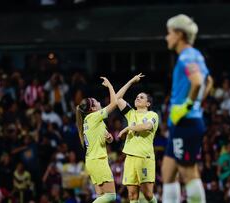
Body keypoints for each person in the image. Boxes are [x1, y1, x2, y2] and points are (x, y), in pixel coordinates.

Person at [162, 14, 213, 203]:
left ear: (179, 34)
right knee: (168, 172)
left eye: (169, 33)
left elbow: (198, 82)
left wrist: (188, 106)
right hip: (183, 122)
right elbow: (209, 81)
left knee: (188, 172)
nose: (167, 37)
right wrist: (197, 104)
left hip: (186, 122)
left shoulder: (186, 56)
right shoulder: (197, 55)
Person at [116, 73, 159, 203]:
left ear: (148, 103)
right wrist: (131, 81)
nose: (137, 98)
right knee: (132, 195)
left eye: (141, 97)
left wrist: (128, 128)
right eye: (137, 96)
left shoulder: (153, 114)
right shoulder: (131, 114)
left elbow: (147, 126)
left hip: (144, 157)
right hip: (130, 157)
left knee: (147, 194)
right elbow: (117, 98)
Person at [75, 77, 117, 203]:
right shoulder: (93, 117)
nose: (99, 102)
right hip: (98, 161)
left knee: (101, 197)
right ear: (93, 108)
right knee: (111, 196)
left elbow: (109, 140)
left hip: (92, 160)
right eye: (96, 101)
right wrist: (110, 85)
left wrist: (109, 138)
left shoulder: (92, 121)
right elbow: (114, 103)